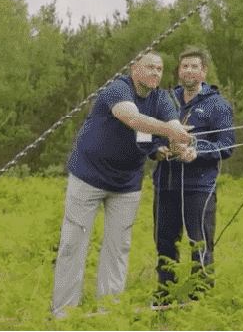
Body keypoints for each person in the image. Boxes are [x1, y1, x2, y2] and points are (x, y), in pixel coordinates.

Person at [52, 52, 190, 319]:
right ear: (134, 68)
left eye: (160, 68)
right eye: (149, 67)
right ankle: (64, 313)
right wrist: (171, 132)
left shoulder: (162, 99)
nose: (155, 73)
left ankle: (109, 311)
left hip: (127, 183)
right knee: (73, 243)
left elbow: (172, 126)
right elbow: (134, 120)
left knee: (119, 247)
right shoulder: (117, 88)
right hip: (88, 176)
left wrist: (176, 145)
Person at [151, 45, 235, 302]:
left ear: (204, 71)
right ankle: (165, 295)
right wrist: (158, 150)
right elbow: (149, 137)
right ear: (178, 71)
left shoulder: (217, 105)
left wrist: (197, 150)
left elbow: (228, 146)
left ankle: (201, 298)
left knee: (199, 244)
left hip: (199, 187)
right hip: (166, 185)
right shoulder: (164, 101)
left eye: (194, 66)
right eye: (184, 66)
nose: (188, 70)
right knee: (164, 244)